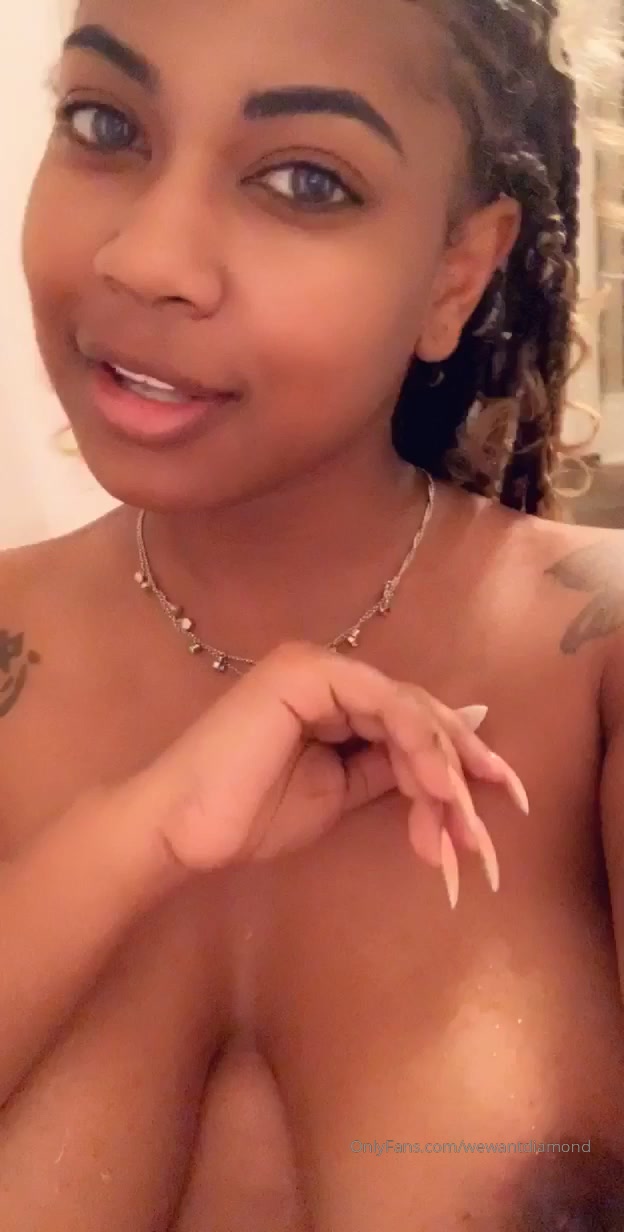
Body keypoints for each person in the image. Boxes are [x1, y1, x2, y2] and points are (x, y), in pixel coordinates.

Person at [1, 0, 623, 1226]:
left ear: (456, 271)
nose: (146, 258)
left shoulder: (597, 666)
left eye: (304, 180)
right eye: (105, 123)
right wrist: (138, 839)